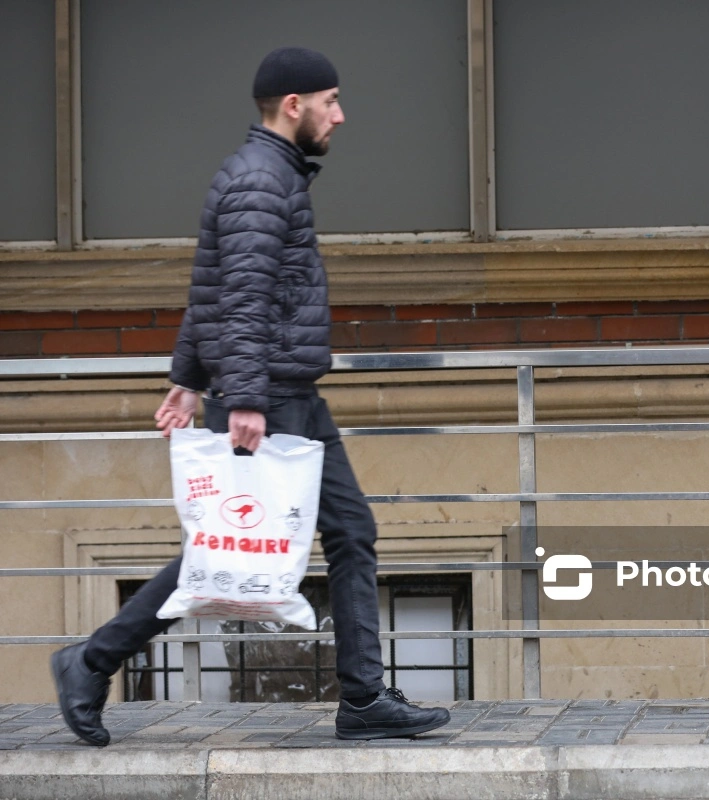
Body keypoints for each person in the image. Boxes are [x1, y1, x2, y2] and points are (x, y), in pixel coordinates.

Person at [50, 47, 451, 744]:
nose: (341, 115)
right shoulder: (262, 182)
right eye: (331, 101)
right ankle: (90, 661)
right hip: (270, 395)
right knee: (223, 551)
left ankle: (362, 698)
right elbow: (240, 300)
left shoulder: (267, 176)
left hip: (285, 391)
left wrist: (186, 378)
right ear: (293, 106)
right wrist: (240, 397)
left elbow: (210, 288)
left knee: (350, 532)